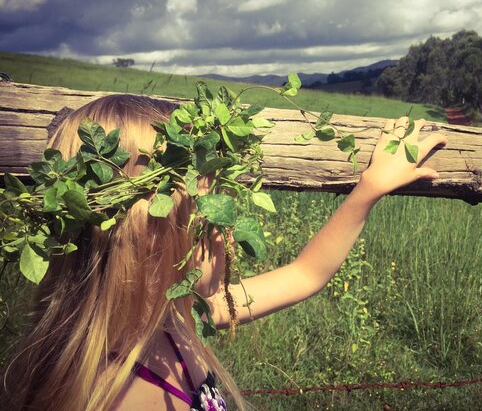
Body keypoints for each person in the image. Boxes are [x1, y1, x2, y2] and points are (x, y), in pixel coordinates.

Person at [2, 94, 447, 410]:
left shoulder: (172, 317)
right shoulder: (114, 394)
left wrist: (368, 189)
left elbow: (305, 274)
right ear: (147, 235)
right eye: (211, 217)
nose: (227, 235)